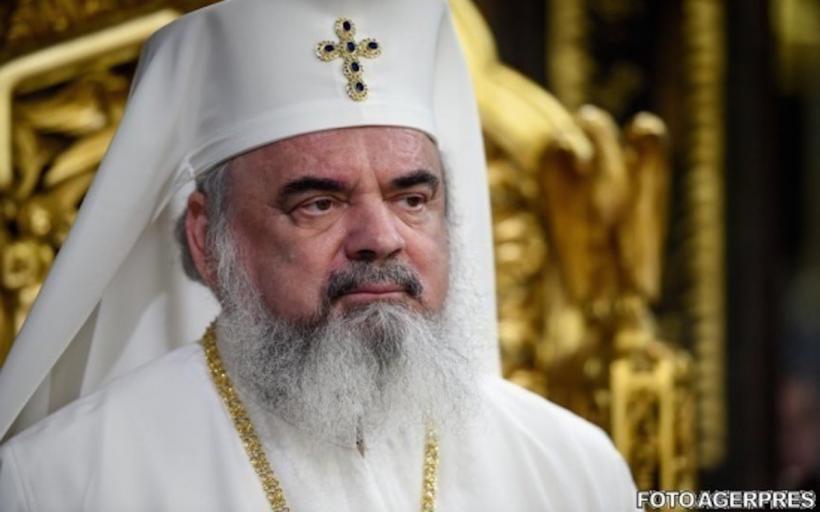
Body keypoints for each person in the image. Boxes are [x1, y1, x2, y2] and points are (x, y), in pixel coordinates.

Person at [0, 0, 640, 510]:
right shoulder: (61, 483)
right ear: (206, 238)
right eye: (319, 203)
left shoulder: (574, 469)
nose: (380, 237)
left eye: (412, 199)